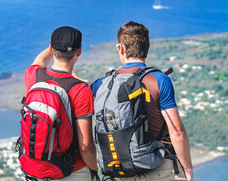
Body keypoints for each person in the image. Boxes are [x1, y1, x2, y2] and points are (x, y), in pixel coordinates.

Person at [91, 21, 194, 181]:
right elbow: (177, 131)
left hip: (125, 172)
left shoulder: (103, 84)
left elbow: (78, 88)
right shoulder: (158, 80)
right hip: (162, 169)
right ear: (147, 48)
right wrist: (187, 168)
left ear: (121, 48)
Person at [24, 26, 98, 180]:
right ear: (79, 52)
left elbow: (40, 60)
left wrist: (56, 45)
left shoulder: (33, 75)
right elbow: (85, 147)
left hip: (35, 169)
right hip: (71, 170)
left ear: (51, 49)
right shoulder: (80, 89)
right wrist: (99, 169)